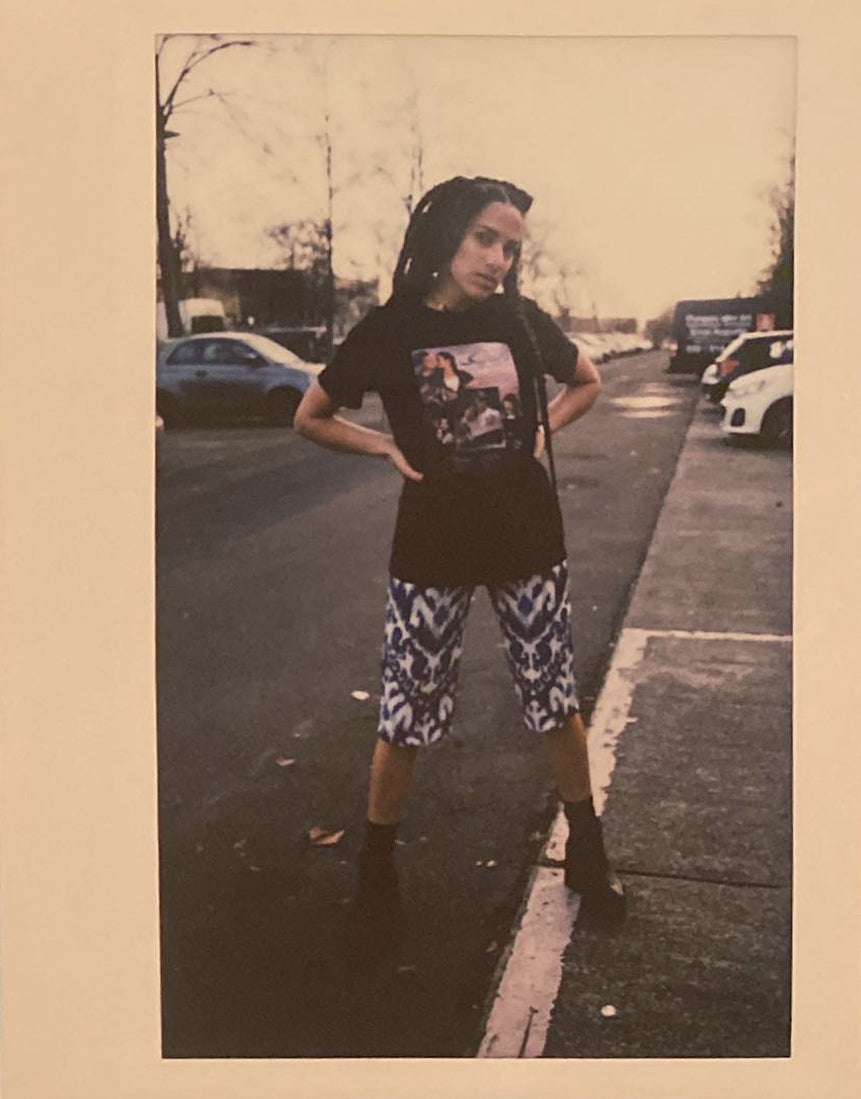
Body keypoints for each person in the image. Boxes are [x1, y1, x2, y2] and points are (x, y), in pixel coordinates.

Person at [294, 175, 625, 951]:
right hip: (431, 545)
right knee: (405, 710)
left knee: (553, 696)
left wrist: (544, 435)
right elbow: (310, 415)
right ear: (446, 235)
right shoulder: (390, 326)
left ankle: (587, 847)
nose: (498, 258)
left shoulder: (517, 318)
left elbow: (587, 380)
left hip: (525, 535)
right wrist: (382, 444)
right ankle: (377, 872)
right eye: (485, 237)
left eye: (510, 245)